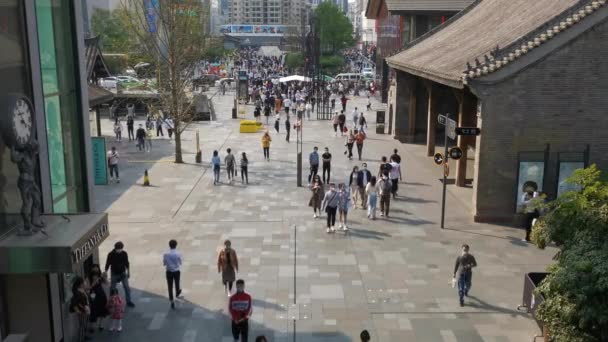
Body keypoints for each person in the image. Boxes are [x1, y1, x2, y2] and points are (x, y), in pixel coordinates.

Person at [104, 241, 135, 307]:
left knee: (127, 287)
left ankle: (128, 301)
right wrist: (106, 271)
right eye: (119, 249)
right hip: (114, 273)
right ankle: (111, 302)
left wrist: (128, 272)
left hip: (123, 273)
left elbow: (127, 263)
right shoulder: (111, 254)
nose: (120, 250)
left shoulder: (124, 253)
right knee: (112, 288)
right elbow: (107, 263)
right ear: (116, 248)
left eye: (121, 248)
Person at [88, 266, 109, 332]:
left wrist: (104, 277)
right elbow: (89, 287)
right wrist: (94, 282)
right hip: (93, 295)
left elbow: (107, 283)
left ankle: (101, 325)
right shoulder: (88, 278)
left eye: (97, 272)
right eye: (94, 273)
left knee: (102, 310)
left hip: (101, 295)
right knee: (93, 310)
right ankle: (92, 327)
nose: (95, 275)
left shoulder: (100, 277)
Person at [163, 239, 183, 309]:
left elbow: (164, 263)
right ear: (176, 245)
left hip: (169, 271)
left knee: (170, 286)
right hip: (176, 271)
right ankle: (177, 292)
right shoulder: (178, 253)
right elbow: (180, 262)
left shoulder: (165, 254)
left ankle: (171, 300)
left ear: (169, 245)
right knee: (177, 283)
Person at [70, 276, 91, 341]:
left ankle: (83, 337)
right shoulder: (77, 292)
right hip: (82, 311)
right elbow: (74, 302)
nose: (84, 283)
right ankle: (80, 339)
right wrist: (78, 310)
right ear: (80, 284)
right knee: (81, 326)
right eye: (83, 282)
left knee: (83, 325)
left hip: (85, 310)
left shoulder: (81, 290)